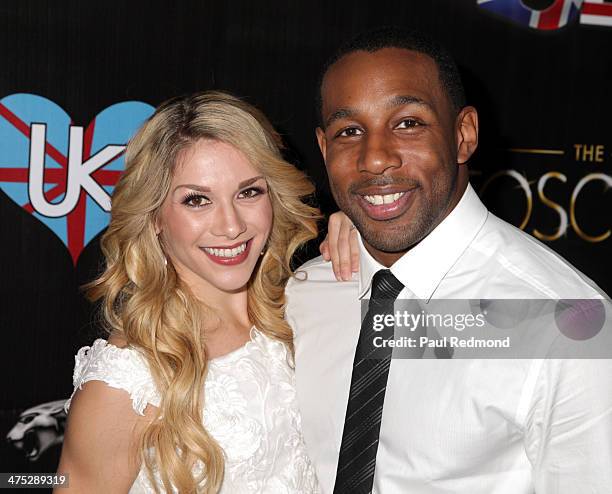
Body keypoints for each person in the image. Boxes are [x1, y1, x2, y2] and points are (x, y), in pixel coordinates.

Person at [286, 27, 612, 493]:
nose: (375, 158)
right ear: (323, 148)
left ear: (463, 134)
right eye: (349, 131)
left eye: (407, 123)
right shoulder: (303, 294)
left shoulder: (566, 322)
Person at [55, 91, 355, 493]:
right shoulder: (126, 381)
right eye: (197, 200)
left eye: (249, 192)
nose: (230, 226)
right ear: (155, 217)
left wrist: (371, 237)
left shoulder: (304, 308)